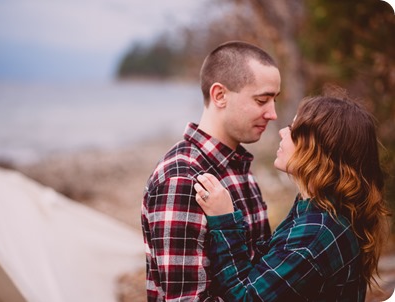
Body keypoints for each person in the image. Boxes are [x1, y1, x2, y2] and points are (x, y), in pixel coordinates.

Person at [194, 92, 391, 301]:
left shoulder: (316, 234)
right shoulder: (321, 210)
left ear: (318, 149)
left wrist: (224, 220)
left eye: (294, 130)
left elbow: (246, 297)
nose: (281, 132)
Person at [141, 40, 281, 301]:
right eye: (262, 100)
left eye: (274, 99)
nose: (272, 113)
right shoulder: (182, 178)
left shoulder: (238, 167)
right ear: (220, 95)